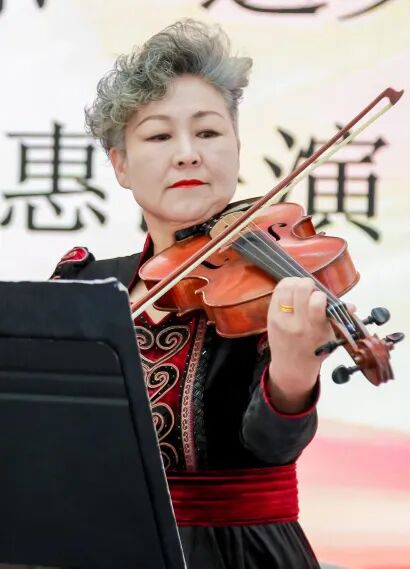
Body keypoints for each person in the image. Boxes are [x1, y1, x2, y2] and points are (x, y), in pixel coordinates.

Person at [51, 19, 336, 569]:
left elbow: (271, 446)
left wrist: (295, 372)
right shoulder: (82, 286)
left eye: (208, 133)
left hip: (239, 554)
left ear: (236, 146)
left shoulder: (277, 283)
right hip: (100, 548)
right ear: (120, 164)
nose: (187, 154)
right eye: (159, 136)